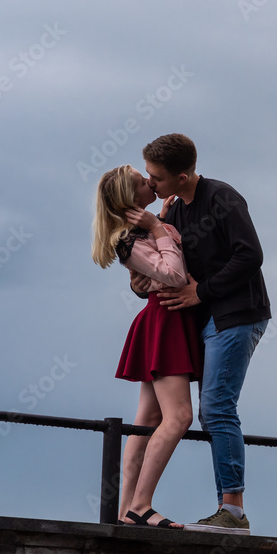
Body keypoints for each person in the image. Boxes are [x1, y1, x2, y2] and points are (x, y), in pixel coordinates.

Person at [131, 133, 271, 535]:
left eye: (156, 177)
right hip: (206, 318)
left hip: (238, 314)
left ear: (184, 175)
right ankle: (137, 506)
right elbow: (166, 262)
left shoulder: (223, 198)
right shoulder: (173, 211)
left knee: (216, 408)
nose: (151, 183)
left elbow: (251, 255)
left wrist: (200, 292)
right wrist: (140, 282)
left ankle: (233, 512)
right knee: (202, 409)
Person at [92, 164, 202, 529]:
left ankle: (125, 510)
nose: (149, 182)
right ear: (131, 198)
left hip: (164, 318)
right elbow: (172, 275)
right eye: (142, 182)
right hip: (164, 319)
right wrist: (158, 228)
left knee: (148, 421)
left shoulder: (144, 228)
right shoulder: (131, 239)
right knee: (180, 416)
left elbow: (152, 277)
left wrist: (160, 222)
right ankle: (140, 505)